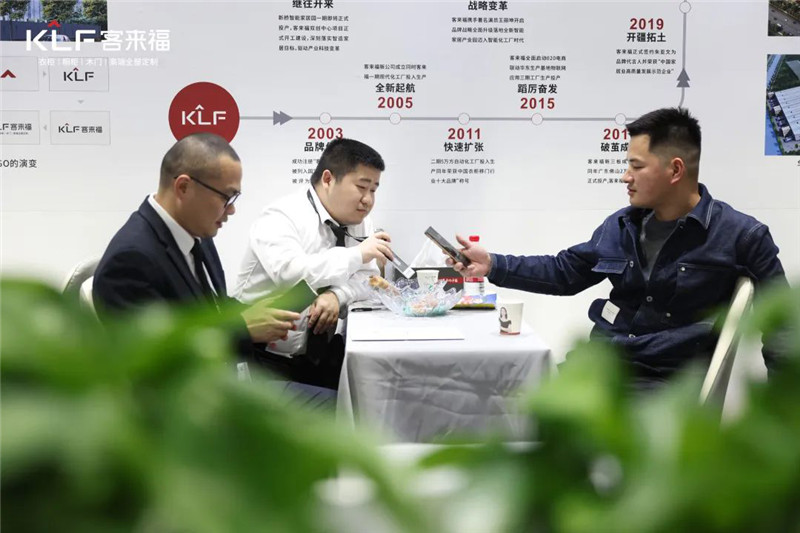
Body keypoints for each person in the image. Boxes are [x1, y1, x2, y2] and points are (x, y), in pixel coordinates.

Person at [449, 107, 789, 390]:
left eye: (636, 167)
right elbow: (565, 272)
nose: (625, 177)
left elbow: (785, 330)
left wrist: (782, 413)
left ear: (675, 170)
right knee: (512, 400)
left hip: (663, 389)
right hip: (599, 369)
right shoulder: (623, 225)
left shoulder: (742, 236)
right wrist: (492, 264)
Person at [93, 133, 335, 404]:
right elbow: (157, 360)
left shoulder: (195, 232)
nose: (231, 211)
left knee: (345, 400)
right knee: (341, 408)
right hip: (194, 406)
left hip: (232, 380)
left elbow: (209, 305)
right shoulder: (131, 260)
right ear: (183, 187)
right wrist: (243, 328)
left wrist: (254, 314)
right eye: (226, 197)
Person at [233, 138, 393, 390]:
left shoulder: (360, 221)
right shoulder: (281, 216)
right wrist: (357, 255)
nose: (368, 200)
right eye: (362, 187)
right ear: (328, 179)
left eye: (374, 190)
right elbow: (292, 274)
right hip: (263, 357)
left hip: (320, 356)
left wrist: (337, 295)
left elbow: (369, 279)